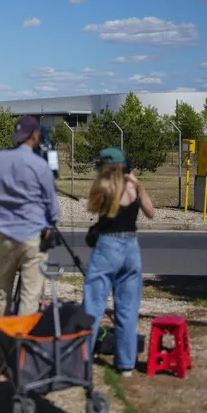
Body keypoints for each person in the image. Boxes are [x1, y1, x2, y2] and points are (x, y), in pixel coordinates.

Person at [82, 147, 155, 377]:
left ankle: (82, 359)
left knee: (93, 304)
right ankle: (125, 365)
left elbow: (92, 207)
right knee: (127, 309)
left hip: (107, 247)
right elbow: (151, 212)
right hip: (131, 248)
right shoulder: (134, 187)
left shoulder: (104, 186)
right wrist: (137, 183)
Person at [0, 115, 60, 316]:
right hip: (32, 235)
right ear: (34, 135)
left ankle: (0, 338)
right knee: (30, 294)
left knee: (3, 291)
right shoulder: (39, 165)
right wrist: (52, 220)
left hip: (5, 234)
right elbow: (51, 204)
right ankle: (22, 339)